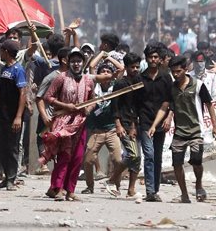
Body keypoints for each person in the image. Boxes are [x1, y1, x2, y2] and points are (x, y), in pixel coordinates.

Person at [40, 48, 111, 201]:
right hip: (63, 121)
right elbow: (48, 97)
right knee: (64, 156)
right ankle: (58, 189)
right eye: (73, 61)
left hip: (80, 122)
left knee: (78, 157)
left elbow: (92, 100)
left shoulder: (88, 80)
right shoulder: (61, 78)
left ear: (83, 63)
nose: (76, 64)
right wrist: (66, 106)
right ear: (69, 63)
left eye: (79, 61)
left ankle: (70, 190)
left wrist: (88, 109)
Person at [149, 55, 216, 203]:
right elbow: (165, 107)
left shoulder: (198, 85)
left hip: (196, 130)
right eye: (173, 72)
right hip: (179, 132)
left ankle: (199, 185)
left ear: (185, 69)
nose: (175, 74)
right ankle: (184, 194)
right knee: (177, 164)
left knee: (196, 161)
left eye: (178, 71)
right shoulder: (172, 88)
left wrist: (215, 126)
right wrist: (155, 125)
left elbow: (209, 105)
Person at [135, 43, 173, 202]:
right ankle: (150, 190)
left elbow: (171, 100)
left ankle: (154, 189)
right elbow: (134, 103)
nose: (153, 59)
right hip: (144, 121)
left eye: (156, 57)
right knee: (148, 155)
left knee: (157, 157)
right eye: (150, 56)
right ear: (146, 58)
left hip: (161, 122)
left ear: (160, 59)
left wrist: (169, 117)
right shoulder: (140, 79)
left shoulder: (165, 78)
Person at [105, 52, 142, 198]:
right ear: (126, 67)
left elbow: (137, 106)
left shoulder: (138, 82)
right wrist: (118, 124)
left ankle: (131, 189)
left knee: (137, 158)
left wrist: (135, 124)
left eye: (137, 67)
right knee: (133, 155)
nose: (135, 69)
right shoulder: (120, 84)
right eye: (132, 67)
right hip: (124, 124)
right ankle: (112, 179)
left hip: (136, 124)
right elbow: (114, 107)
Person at [0, 39, 28, 191]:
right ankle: (6, 176)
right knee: (1, 146)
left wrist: (19, 116)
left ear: (6, 52)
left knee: (12, 147)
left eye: (1, 50)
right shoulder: (4, 69)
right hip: (2, 115)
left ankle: (11, 179)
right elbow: (0, 92)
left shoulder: (18, 70)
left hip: (13, 116)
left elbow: (22, 94)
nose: (0, 53)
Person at [81, 63, 122, 194]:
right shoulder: (94, 87)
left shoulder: (116, 87)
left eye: (108, 71)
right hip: (96, 131)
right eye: (102, 71)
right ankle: (90, 186)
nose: (105, 73)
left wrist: (108, 56)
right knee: (87, 160)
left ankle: (116, 186)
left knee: (118, 160)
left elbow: (121, 69)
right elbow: (92, 66)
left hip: (112, 130)